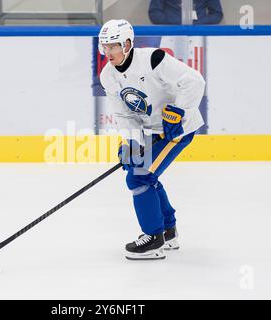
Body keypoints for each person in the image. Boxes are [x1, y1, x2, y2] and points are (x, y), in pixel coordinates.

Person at [99, 19, 205, 260]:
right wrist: (131, 142)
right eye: (105, 47)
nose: (108, 52)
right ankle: (167, 231)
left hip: (177, 130)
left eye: (113, 46)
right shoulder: (108, 75)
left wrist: (179, 112)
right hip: (151, 130)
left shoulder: (153, 59)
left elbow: (194, 81)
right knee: (143, 173)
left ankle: (153, 238)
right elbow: (124, 113)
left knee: (139, 177)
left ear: (127, 44)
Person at [149, 0, 223, 25]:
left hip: (200, 33)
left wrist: (200, 22)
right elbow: (154, 14)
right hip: (170, 33)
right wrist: (175, 22)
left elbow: (217, 14)